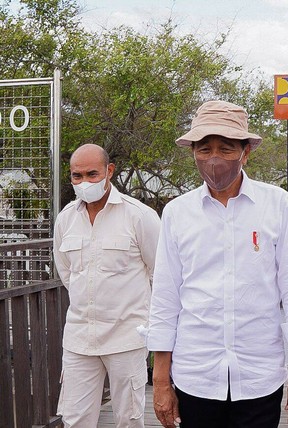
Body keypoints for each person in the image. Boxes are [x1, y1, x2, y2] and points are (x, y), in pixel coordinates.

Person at [146, 100, 288, 428]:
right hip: (196, 374)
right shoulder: (177, 213)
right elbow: (165, 301)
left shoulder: (276, 204)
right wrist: (160, 382)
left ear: (246, 152)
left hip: (259, 374)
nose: (213, 159)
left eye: (225, 149)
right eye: (204, 149)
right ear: (193, 152)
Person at [53, 144, 161, 427]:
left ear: (109, 171)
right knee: (75, 419)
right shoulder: (65, 219)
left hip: (126, 337)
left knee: (129, 419)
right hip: (79, 338)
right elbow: (67, 272)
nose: (84, 182)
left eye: (92, 174)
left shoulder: (139, 216)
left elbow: (160, 273)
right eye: (77, 176)